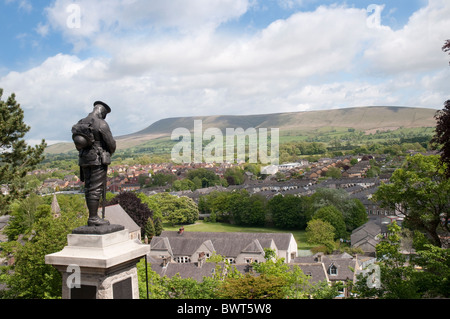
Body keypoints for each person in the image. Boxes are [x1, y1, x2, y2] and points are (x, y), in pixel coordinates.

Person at [72, 101, 116, 226]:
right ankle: (93, 218)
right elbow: (111, 144)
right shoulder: (101, 124)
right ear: (102, 112)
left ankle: (92, 216)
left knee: (88, 187)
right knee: (96, 188)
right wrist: (108, 153)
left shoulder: (81, 122)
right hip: (97, 159)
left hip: (84, 159)